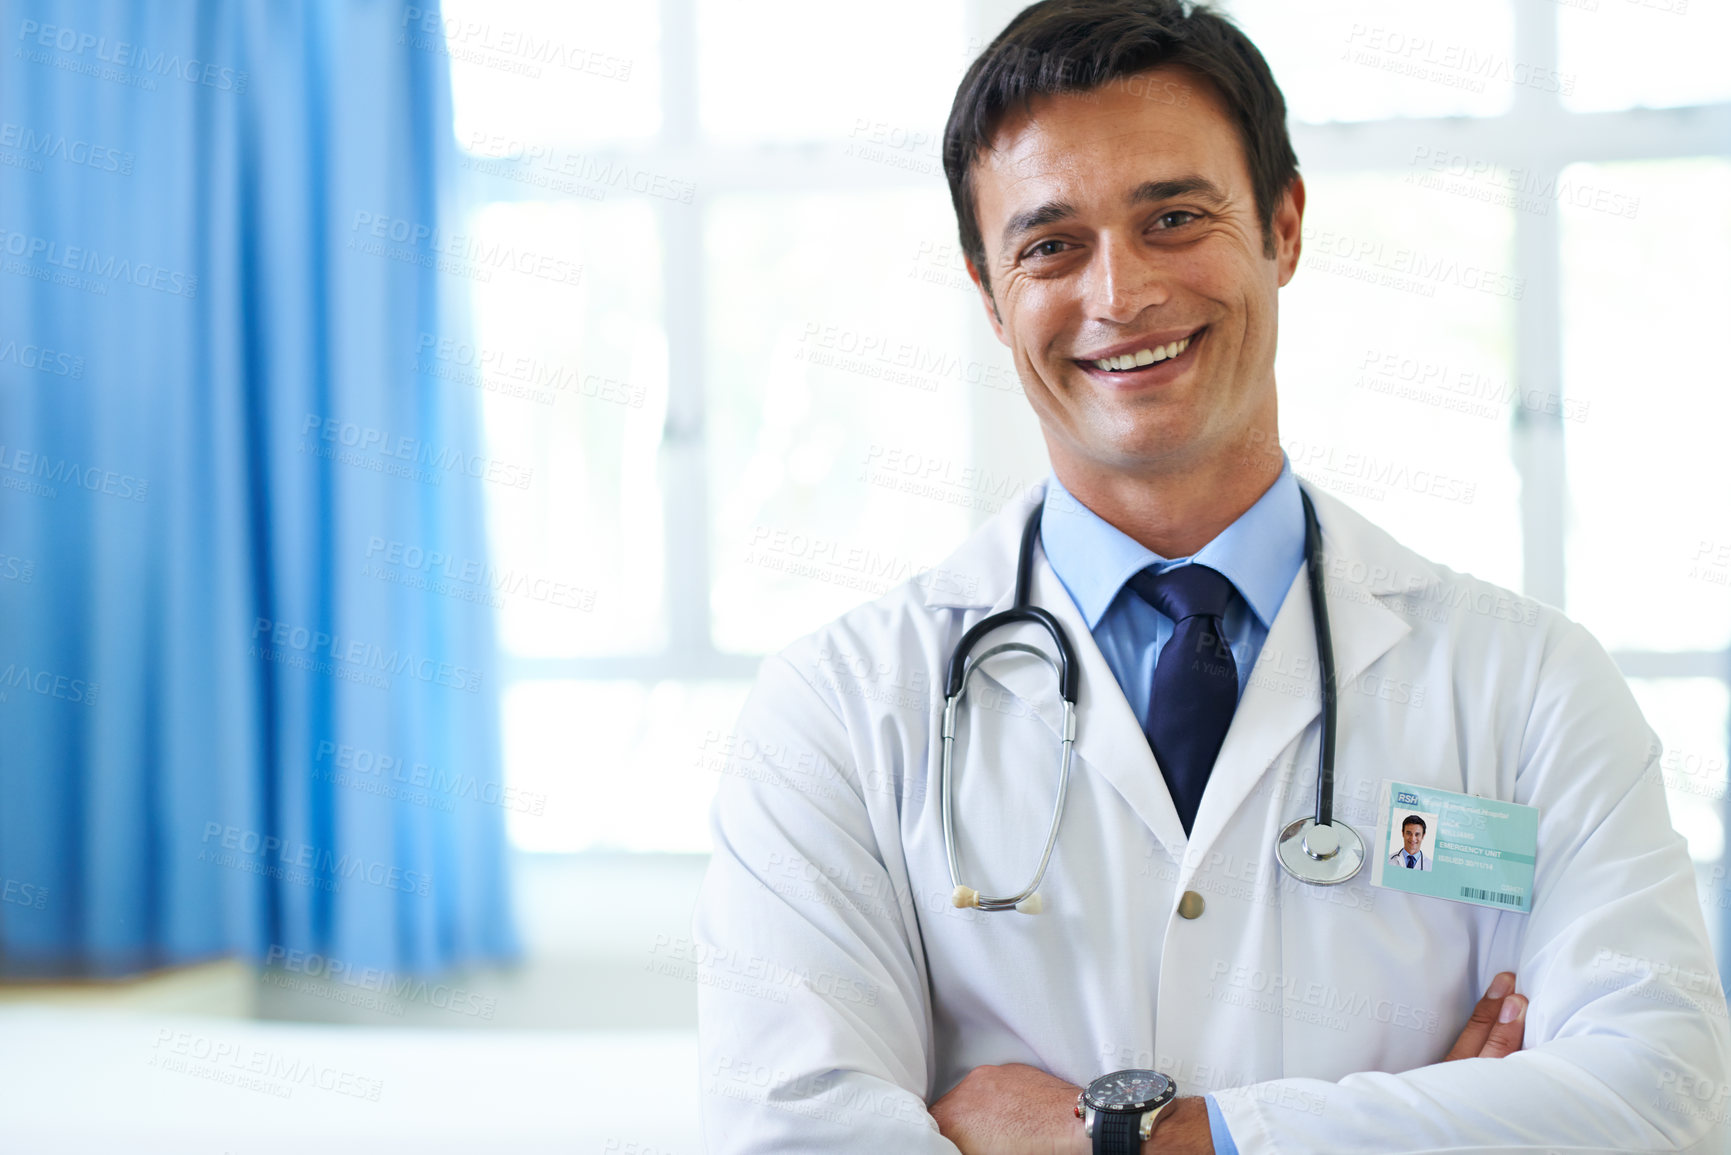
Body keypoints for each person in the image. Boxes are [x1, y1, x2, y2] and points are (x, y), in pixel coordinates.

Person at [692, 2, 1730, 1151]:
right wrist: (1436, 1120)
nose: (1120, 294)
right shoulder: (836, 710)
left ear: (1284, 224)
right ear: (989, 292)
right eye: (1049, 245)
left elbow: (1660, 1099)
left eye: (1174, 217)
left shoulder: (1526, 684)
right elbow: (792, 1132)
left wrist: (1142, 1138)